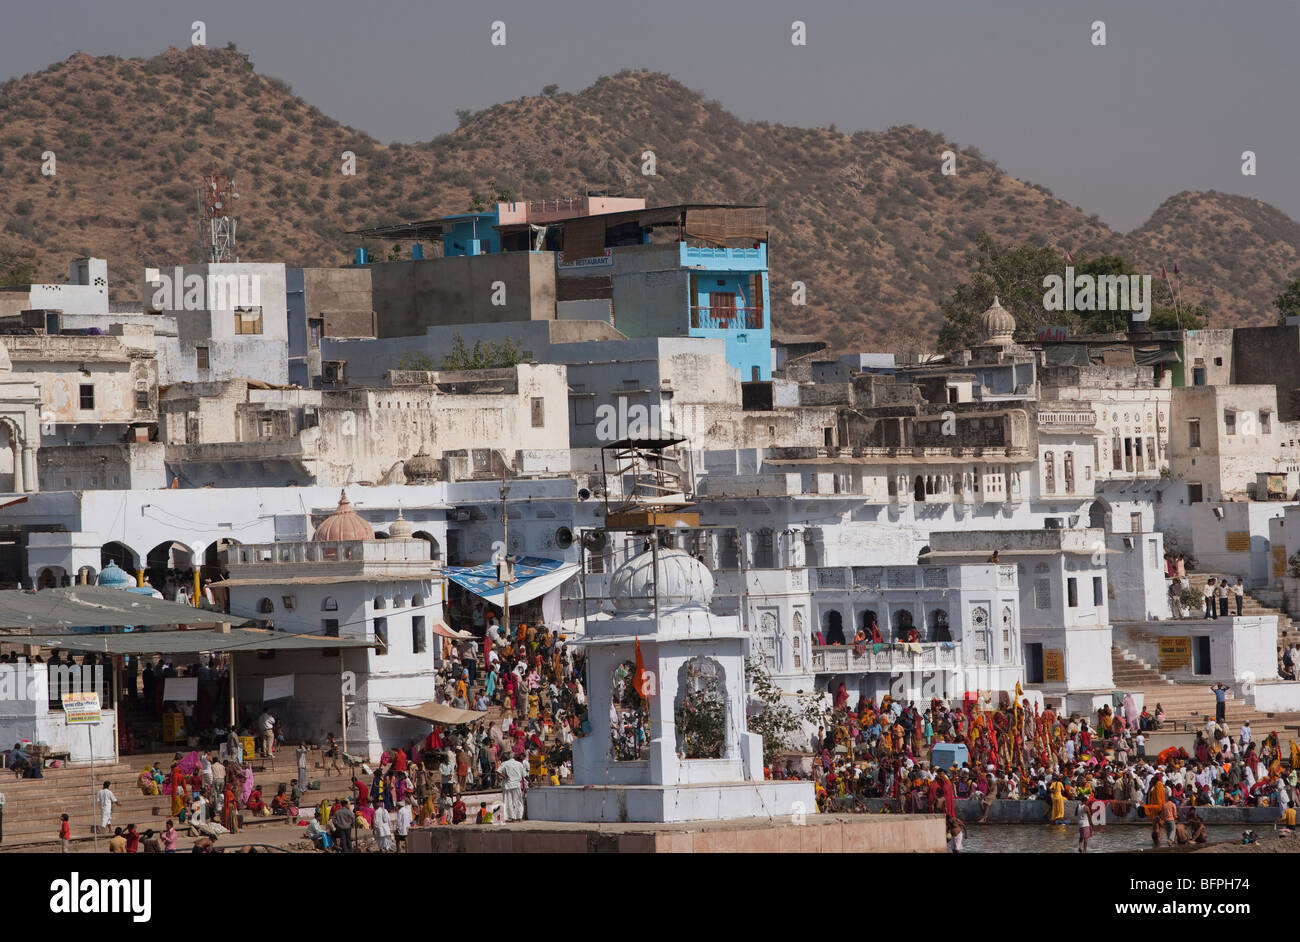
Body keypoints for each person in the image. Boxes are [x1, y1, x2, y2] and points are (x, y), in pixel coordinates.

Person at [498, 754, 527, 822]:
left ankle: (512, 817)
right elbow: (525, 775)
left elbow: (498, 771)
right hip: (517, 785)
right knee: (518, 801)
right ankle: (519, 817)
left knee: (508, 801)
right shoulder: (519, 764)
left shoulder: (504, 763)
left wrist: (504, 776)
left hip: (507, 785)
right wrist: (531, 783)